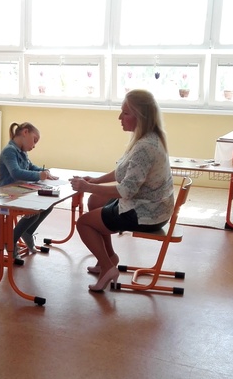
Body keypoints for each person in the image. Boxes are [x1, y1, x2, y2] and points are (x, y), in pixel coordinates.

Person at [69, 89, 174, 292]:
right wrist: (96, 181)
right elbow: (125, 171)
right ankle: (109, 257)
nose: (120, 117)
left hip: (146, 213)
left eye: (125, 113)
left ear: (140, 116)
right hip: (153, 207)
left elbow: (126, 191)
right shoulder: (148, 138)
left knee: (83, 224)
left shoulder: (145, 147)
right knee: (95, 200)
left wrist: (87, 186)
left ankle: (108, 268)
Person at [0, 121, 58, 258]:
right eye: (34, 140)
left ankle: (27, 232)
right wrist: (39, 175)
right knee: (34, 212)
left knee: (48, 205)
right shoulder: (9, 151)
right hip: (8, 193)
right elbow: (16, 173)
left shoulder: (22, 152)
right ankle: (10, 240)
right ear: (25, 132)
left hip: (21, 190)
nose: (34, 145)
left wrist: (44, 171)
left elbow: (30, 167)